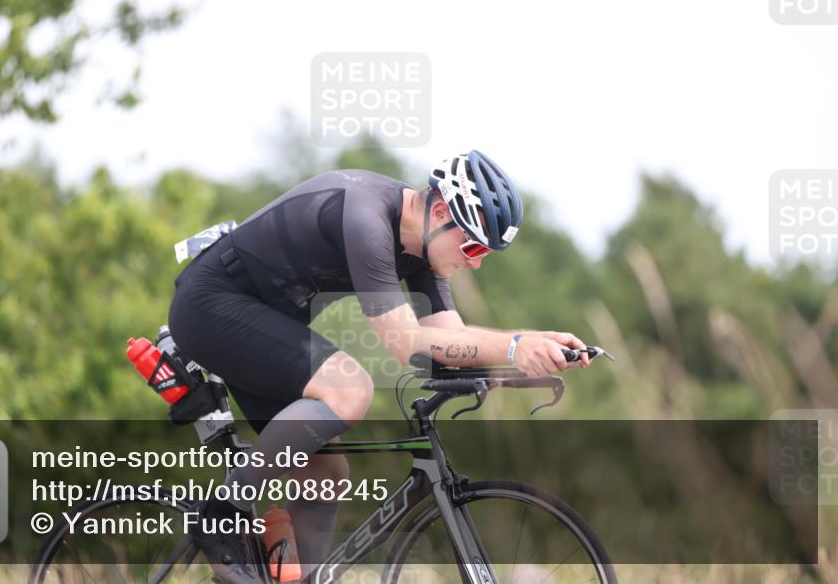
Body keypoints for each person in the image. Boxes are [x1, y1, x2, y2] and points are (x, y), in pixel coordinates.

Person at [168, 150, 593, 583]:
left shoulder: (423, 245)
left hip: (258, 321)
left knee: (326, 472)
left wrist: (525, 354)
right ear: (441, 213)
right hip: (210, 306)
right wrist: (513, 347)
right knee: (349, 388)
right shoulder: (366, 218)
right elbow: (407, 343)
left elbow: (449, 341)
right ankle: (222, 512)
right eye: (474, 245)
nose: (476, 261)